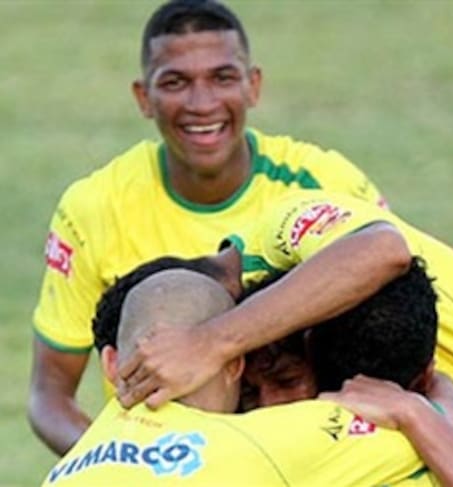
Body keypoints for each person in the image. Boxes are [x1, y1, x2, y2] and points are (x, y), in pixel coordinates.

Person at [29, 0, 387, 456]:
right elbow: (50, 396)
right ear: (143, 97)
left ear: (253, 85)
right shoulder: (94, 207)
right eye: (175, 82)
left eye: (222, 78)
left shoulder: (324, 184)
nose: (202, 104)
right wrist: (125, 465)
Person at [117, 190, 453, 486]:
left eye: (284, 381)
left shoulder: (288, 242)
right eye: (253, 390)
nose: (267, 402)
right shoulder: (429, 410)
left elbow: (382, 251)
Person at [45, 266, 453, 486]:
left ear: (112, 364)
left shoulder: (77, 458)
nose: (264, 402)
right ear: (234, 364)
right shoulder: (271, 441)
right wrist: (428, 405)